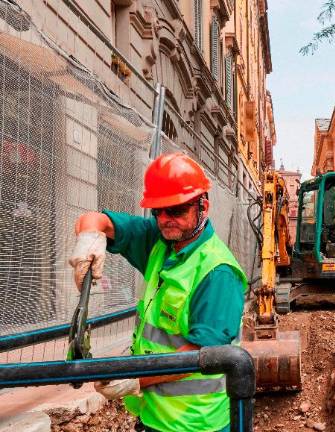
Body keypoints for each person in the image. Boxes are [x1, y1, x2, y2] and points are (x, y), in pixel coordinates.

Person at [68, 153, 247, 432]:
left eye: (176, 210)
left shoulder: (218, 272)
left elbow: (201, 355)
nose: (165, 219)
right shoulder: (160, 240)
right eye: (157, 211)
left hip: (196, 423)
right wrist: (89, 237)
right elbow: (96, 219)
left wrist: (134, 377)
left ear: (203, 207)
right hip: (155, 416)